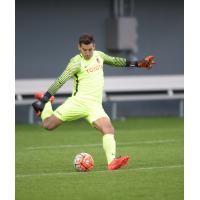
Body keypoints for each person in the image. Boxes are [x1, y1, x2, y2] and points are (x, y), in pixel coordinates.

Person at [32, 34, 155, 170]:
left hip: (95, 106)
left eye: (90, 49)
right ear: (79, 47)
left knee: (108, 129)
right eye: (84, 50)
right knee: (48, 125)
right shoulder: (75, 62)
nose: (87, 53)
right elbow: (61, 81)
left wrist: (138, 63)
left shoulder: (99, 56)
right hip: (77, 102)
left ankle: (112, 162)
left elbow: (115, 61)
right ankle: (48, 103)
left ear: (94, 46)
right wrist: (44, 100)